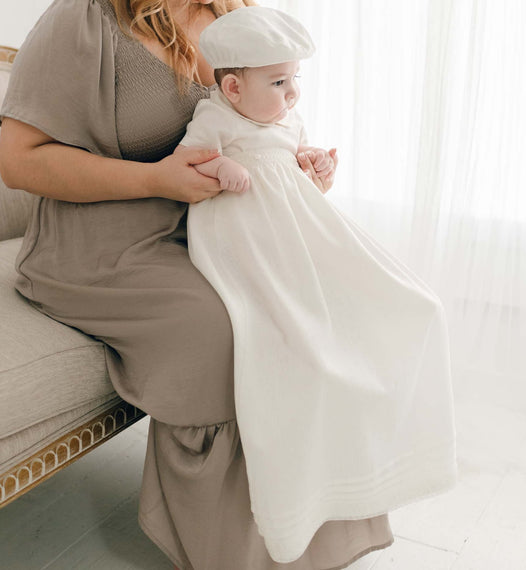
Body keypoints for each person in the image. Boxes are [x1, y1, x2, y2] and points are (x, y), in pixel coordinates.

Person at [0, 0, 399, 568]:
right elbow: (16, 160)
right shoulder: (82, 20)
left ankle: (303, 534)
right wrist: (154, 181)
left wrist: (295, 171)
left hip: (216, 233)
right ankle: (235, 555)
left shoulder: (236, 15)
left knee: (320, 303)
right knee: (230, 330)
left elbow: (260, 130)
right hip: (97, 251)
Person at [176, 6, 458, 565]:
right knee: (293, 332)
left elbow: (292, 167)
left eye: (296, 79)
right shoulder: (217, 121)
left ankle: (396, 454)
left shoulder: (285, 122)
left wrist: (312, 162)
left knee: (404, 303)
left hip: (298, 233)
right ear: (232, 87)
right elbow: (182, 162)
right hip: (247, 241)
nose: (293, 93)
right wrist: (216, 168)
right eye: (279, 82)